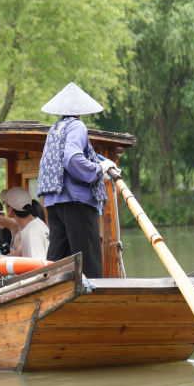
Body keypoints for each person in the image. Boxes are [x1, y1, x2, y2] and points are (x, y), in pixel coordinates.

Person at [36, 82, 118, 279]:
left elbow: (70, 156)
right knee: (88, 261)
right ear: (81, 111)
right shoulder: (77, 125)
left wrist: (103, 162)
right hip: (76, 201)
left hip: (54, 203)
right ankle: (93, 305)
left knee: (58, 260)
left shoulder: (55, 129)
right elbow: (72, 158)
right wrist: (98, 169)